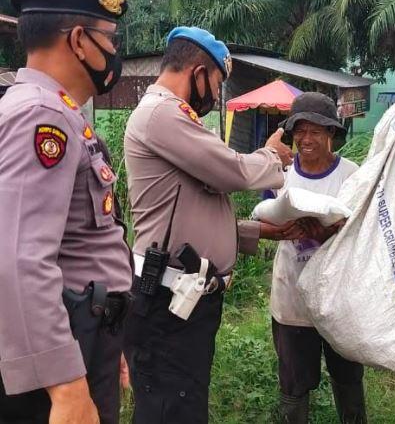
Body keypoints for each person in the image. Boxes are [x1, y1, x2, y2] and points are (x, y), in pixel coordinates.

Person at [122, 27, 292, 424]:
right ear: (198, 71)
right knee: (169, 409)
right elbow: (230, 172)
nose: (213, 97)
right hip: (169, 302)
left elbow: (202, 203)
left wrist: (261, 231)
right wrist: (271, 156)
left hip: (184, 301)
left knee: (181, 405)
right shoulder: (162, 114)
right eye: (216, 84)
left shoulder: (172, 118)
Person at [0, 0, 133, 424]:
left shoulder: (57, 113)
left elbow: (76, 247)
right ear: (79, 40)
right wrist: (67, 385)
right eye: (110, 40)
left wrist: (103, 335)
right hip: (55, 368)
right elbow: (20, 258)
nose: (116, 54)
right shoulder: (42, 117)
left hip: (82, 335)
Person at [260, 92, 365, 423]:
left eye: (316, 131)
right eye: (300, 131)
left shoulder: (351, 175)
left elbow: (365, 230)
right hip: (292, 300)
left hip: (340, 300)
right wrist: (284, 227)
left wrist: (328, 232)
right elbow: (264, 217)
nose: (306, 139)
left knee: (347, 377)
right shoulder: (280, 175)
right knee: (293, 384)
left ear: (331, 134)